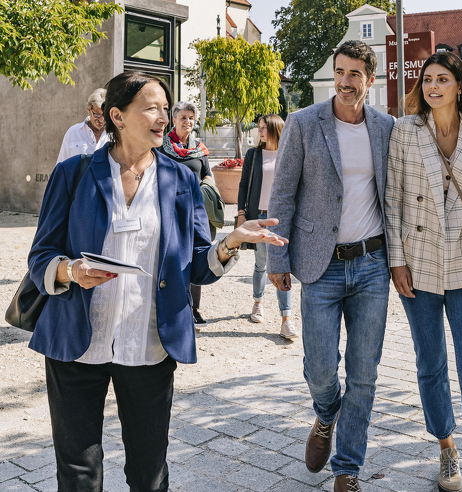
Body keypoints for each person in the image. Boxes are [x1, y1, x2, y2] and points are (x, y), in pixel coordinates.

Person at [28, 71, 286, 492]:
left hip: (149, 346)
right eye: (151, 107)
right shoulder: (72, 174)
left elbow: (198, 268)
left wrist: (232, 242)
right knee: (77, 475)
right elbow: (40, 255)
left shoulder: (182, 180)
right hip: (76, 344)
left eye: (166, 108)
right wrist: (71, 271)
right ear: (117, 115)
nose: (163, 117)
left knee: (149, 475)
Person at [268, 40, 394, 492]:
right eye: (340, 71)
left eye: (355, 74)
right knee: (321, 369)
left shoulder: (386, 127)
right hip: (319, 266)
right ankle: (325, 415)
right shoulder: (303, 124)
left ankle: (348, 468)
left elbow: (394, 197)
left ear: (370, 80)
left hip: (372, 265)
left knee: (364, 372)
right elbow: (281, 193)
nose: (345, 81)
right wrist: (276, 256)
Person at [385, 52, 462, 492]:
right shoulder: (405, 132)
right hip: (419, 267)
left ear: (459, 85)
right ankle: (446, 448)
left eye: (442, 79)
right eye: (427, 79)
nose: (433, 86)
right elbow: (393, 200)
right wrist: (397, 260)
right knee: (431, 365)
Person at [237, 113, 298, 340]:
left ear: (275, 129)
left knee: (282, 265)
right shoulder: (253, 155)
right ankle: (258, 303)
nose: (260, 131)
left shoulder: (288, 153)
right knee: (261, 264)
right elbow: (243, 184)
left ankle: (286, 319)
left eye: (264, 128)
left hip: (281, 218)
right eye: (259, 127)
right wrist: (241, 213)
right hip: (259, 217)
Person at [159, 100, 216, 329]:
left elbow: (208, 175)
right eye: (183, 117)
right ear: (173, 120)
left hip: (193, 213)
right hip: (167, 211)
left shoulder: (199, 149)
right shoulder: (162, 147)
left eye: (191, 118)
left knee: (196, 256)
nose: (188, 122)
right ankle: (172, 303)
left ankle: (193, 307)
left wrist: (206, 190)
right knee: (170, 257)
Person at [56, 88, 109, 162]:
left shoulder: (115, 134)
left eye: (105, 115)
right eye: (97, 115)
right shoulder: (73, 133)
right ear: (88, 110)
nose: (101, 119)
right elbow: (61, 166)